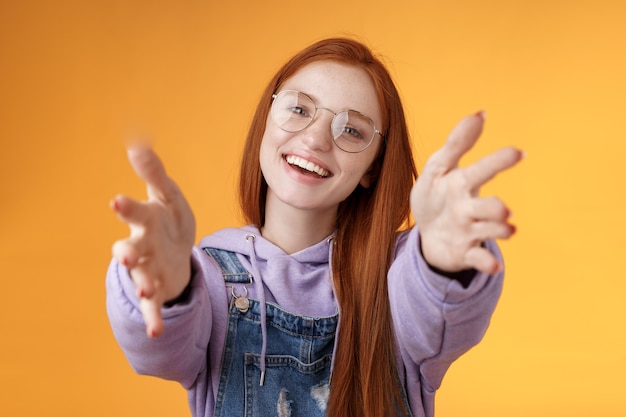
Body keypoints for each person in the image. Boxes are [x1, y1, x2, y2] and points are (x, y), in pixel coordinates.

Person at [106, 37, 522, 417]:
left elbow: (437, 315)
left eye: (351, 130)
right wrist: (169, 287)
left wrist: (442, 264)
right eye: (300, 108)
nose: (317, 138)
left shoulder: (395, 280)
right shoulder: (213, 280)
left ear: (371, 168)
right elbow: (155, 351)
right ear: (266, 118)